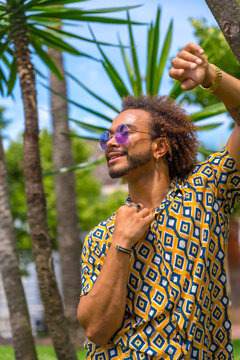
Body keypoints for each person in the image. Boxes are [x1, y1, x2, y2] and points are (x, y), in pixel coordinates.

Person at [77, 43, 240, 359]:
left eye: (124, 133)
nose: (111, 141)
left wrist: (210, 76)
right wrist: (120, 244)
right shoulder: (101, 236)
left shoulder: (206, 194)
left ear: (160, 147)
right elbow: (96, 330)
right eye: (106, 137)